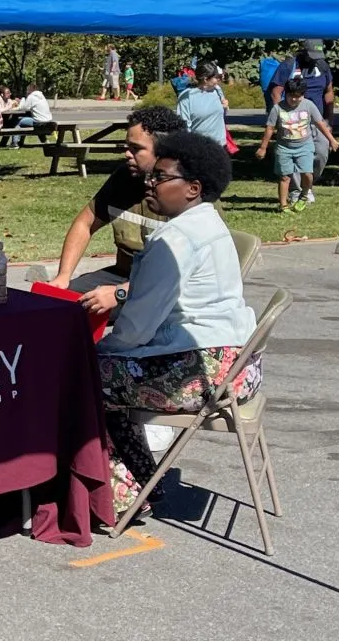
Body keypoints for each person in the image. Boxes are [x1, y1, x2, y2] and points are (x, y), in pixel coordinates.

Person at [98, 131, 257, 518]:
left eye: (161, 177)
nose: (150, 184)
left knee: (82, 375)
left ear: (193, 188)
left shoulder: (175, 239)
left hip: (202, 373)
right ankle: (136, 485)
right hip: (239, 367)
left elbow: (137, 326)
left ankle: (122, 498)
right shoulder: (208, 223)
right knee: (104, 374)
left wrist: (98, 348)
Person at [48, 106, 186, 314]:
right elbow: (85, 223)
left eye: (136, 148)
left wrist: (120, 293)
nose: (127, 154)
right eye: (126, 146)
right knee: (57, 307)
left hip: (170, 289)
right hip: (124, 276)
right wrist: (63, 276)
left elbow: (185, 271)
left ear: (164, 150)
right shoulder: (125, 178)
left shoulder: (188, 190)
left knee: (87, 313)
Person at [256, 78, 339, 213]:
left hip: (305, 146)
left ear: (303, 95)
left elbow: (320, 123)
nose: (295, 100)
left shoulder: (308, 105)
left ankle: (304, 195)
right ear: (286, 94)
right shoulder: (277, 108)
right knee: (284, 177)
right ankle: (283, 205)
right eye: (291, 96)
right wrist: (263, 147)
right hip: (284, 147)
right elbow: (270, 128)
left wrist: (332, 140)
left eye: (298, 96)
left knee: (307, 173)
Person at [269, 40, 335, 205]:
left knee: (321, 152)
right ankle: (297, 191)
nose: (315, 60)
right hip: (293, 119)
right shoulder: (289, 66)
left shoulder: (323, 66)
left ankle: (307, 186)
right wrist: (281, 117)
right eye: (312, 56)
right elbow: (276, 92)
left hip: (317, 118)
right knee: (295, 155)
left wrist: (329, 119)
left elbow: (329, 92)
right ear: (303, 52)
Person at [176, 62, 227, 147]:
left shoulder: (217, 90)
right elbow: (183, 126)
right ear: (206, 79)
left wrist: (224, 107)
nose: (219, 80)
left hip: (220, 146)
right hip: (199, 148)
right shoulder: (187, 97)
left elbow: (219, 115)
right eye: (216, 77)